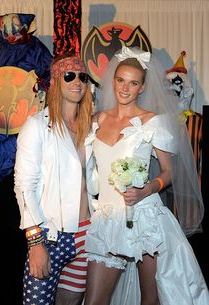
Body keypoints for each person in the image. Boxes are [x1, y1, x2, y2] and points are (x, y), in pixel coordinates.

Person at [83, 46, 209, 305]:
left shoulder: (154, 122)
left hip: (145, 219)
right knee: (94, 301)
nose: (125, 88)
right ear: (113, 81)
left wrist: (147, 189)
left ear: (142, 87)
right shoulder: (97, 120)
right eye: (120, 80)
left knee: (150, 300)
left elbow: (169, 173)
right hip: (106, 219)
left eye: (133, 83)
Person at [14, 54, 95, 305]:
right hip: (49, 237)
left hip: (86, 233)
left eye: (82, 77)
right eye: (69, 76)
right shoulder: (37, 126)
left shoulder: (91, 127)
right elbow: (24, 186)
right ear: (56, 81)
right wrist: (35, 243)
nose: (77, 82)